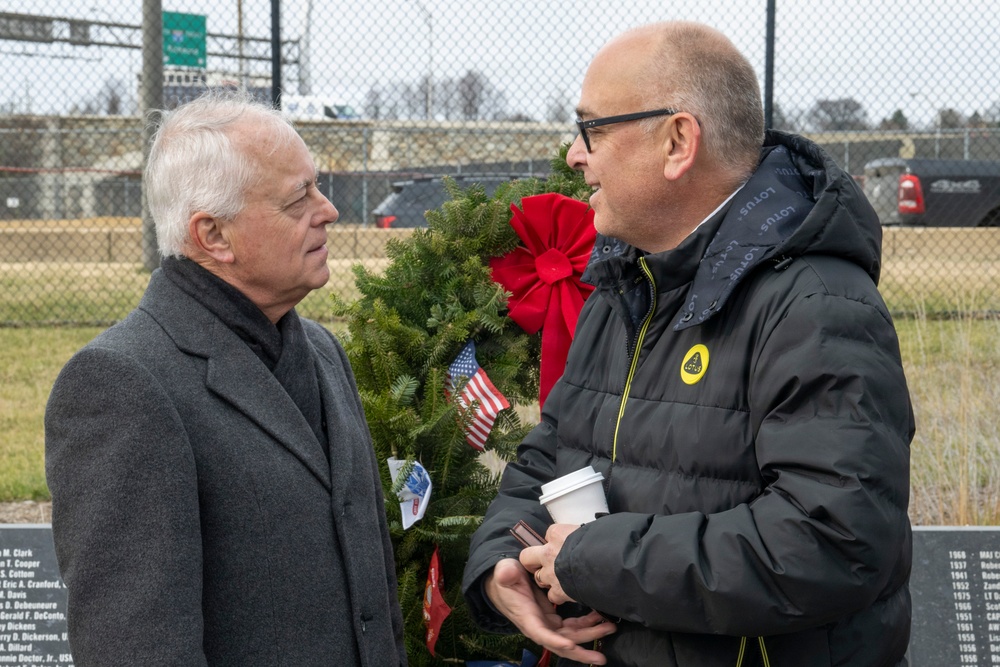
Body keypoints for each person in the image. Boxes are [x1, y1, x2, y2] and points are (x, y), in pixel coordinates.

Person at [462, 21, 913, 667]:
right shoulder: (626, 284)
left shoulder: (815, 307)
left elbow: (832, 543)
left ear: (678, 141)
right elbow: (549, 457)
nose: (574, 154)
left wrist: (595, 562)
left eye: (593, 129)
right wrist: (500, 558)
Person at [45, 91, 407, 666]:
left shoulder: (320, 350)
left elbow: (371, 598)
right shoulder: (122, 385)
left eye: (316, 185)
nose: (329, 210)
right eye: (298, 198)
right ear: (213, 236)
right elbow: (136, 647)